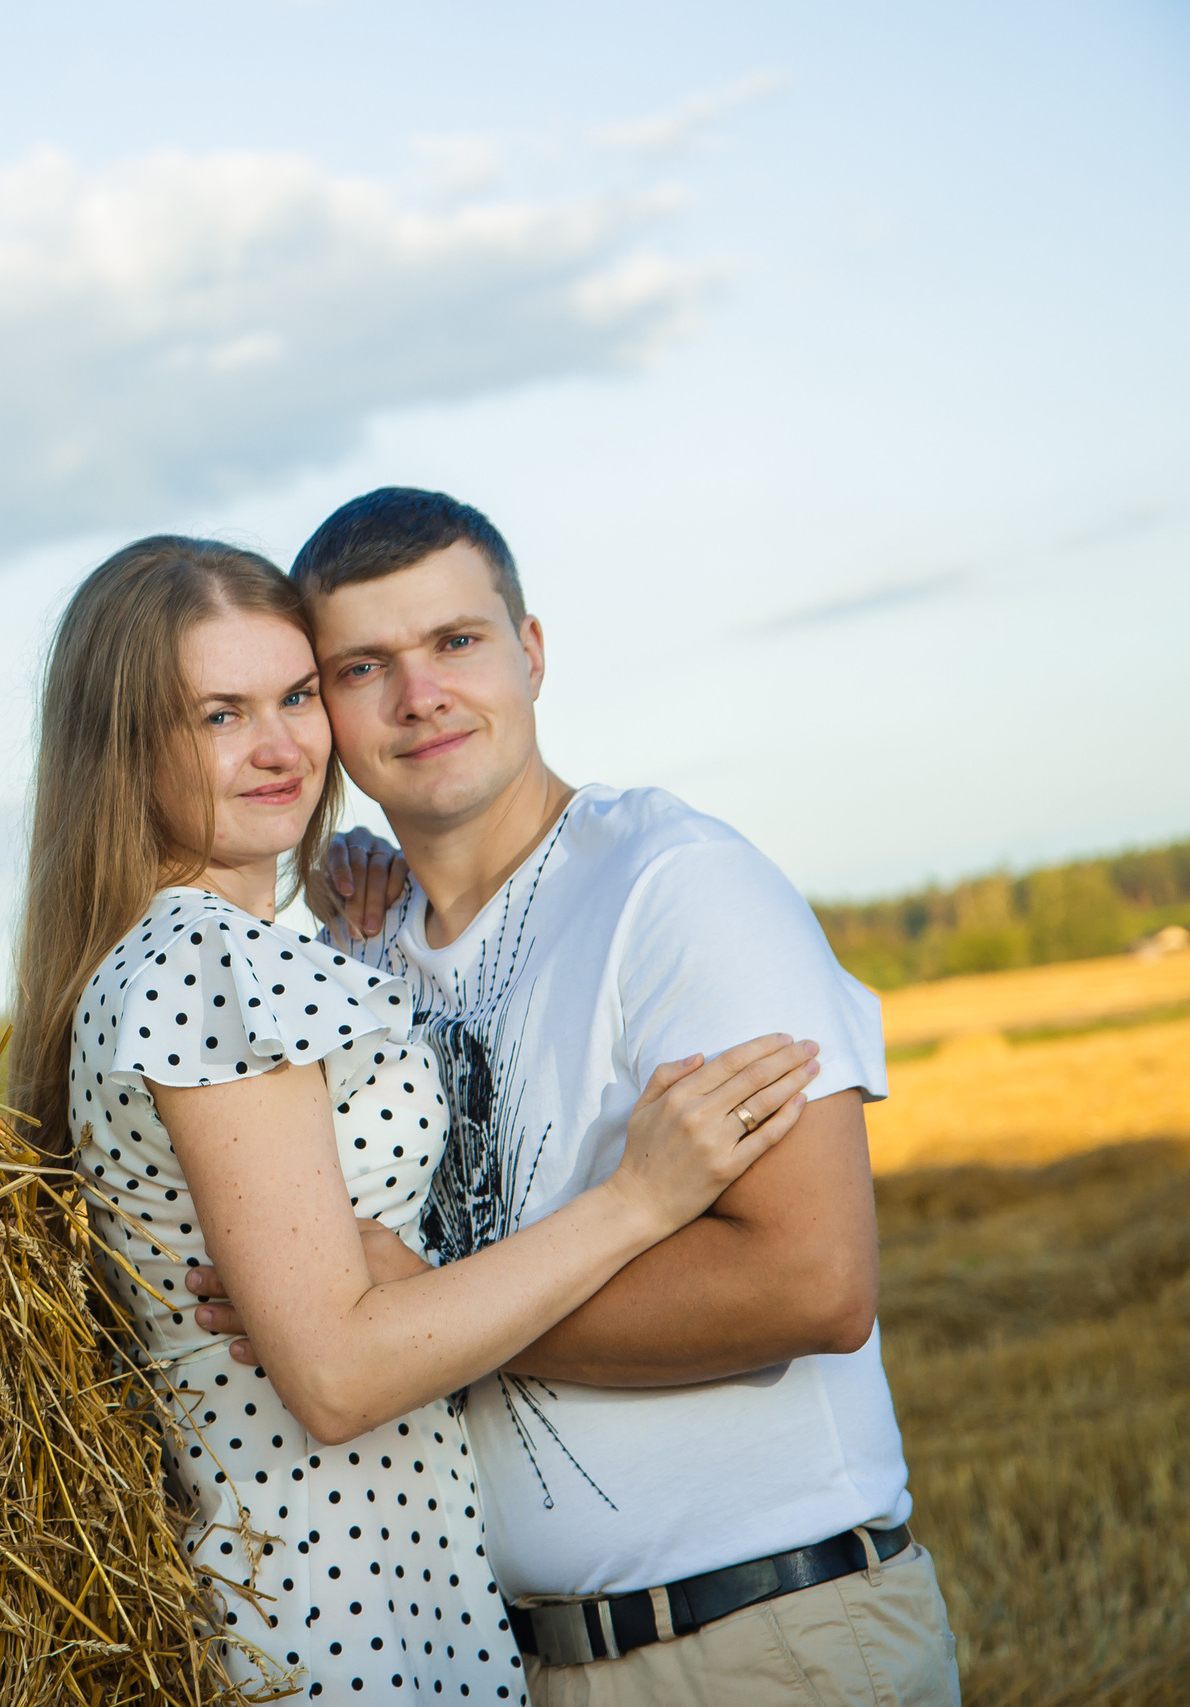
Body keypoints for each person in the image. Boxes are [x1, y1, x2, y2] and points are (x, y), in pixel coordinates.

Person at [8, 534, 819, 1702]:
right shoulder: (209, 963)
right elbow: (334, 1374)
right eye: (219, 715)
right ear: (123, 743)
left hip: (347, 1581)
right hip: (345, 1605)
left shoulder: (197, 960)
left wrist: (354, 953)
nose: (282, 747)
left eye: (293, 696)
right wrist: (634, 1205)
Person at [186, 489, 960, 1705]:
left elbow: (813, 1285)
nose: (419, 695)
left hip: (758, 1643)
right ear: (324, 710)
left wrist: (413, 1320)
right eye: (362, 667)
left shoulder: (675, 887)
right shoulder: (366, 953)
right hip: (512, 1664)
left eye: (455, 642)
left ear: (530, 652)